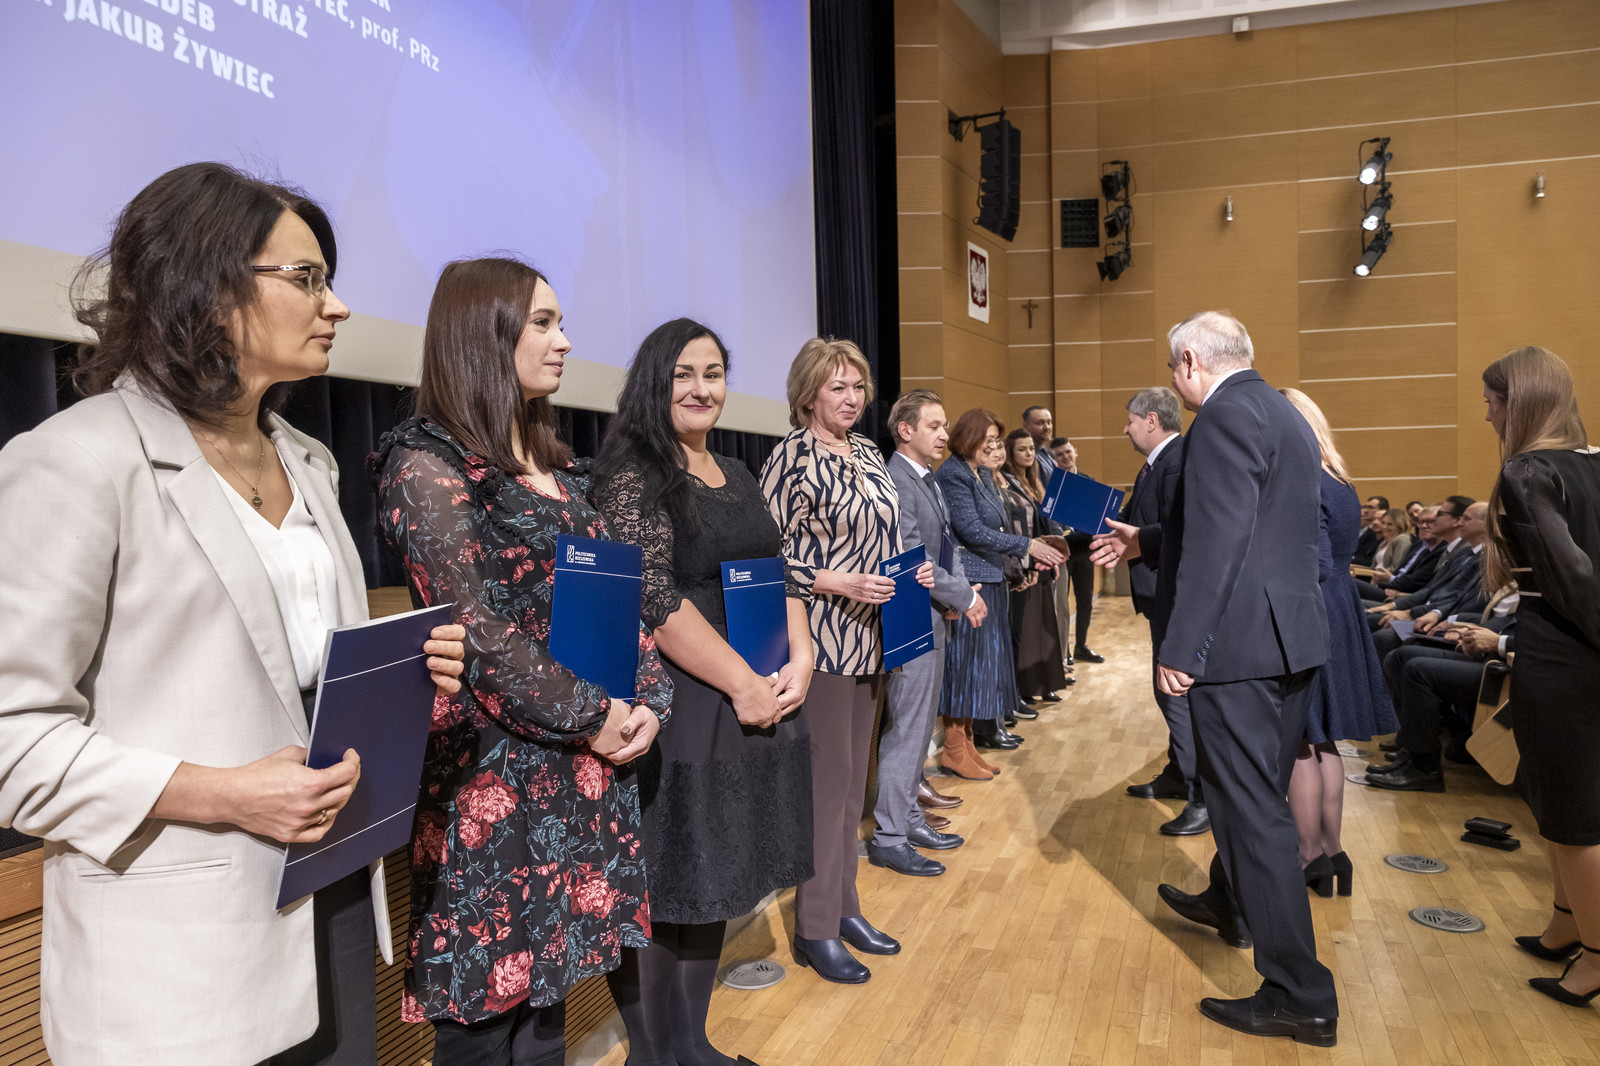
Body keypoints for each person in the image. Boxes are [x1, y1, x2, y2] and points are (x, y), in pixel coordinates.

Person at [0, 162, 466, 1066]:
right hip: (181, 948)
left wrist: (411, 673)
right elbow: (13, 744)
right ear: (206, 288)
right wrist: (225, 792)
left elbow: (298, 676)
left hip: (333, 887)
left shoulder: (309, 459)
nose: (337, 307)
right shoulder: (75, 460)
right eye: (308, 279)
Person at [373, 257, 671, 1065]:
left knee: (546, 1020)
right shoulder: (427, 462)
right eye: (543, 323)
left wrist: (647, 700)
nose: (564, 340)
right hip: (492, 780)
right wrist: (597, 715)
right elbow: (474, 628)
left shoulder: (562, 469)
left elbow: (617, 600)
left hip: (583, 771)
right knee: (482, 1021)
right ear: (484, 332)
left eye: (561, 322)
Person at [1092, 311, 1337, 1046]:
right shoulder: (1281, 411)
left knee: (1251, 813)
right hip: (1289, 640)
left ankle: (1299, 993)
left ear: (1192, 361)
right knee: (1254, 799)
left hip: (1238, 650)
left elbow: (1223, 539)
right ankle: (1230, 903)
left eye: (1173, 367)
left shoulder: (1222, 417)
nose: (1174, 381)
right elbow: (1250, 524)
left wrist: (1184, 647)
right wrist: (1147, 539)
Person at [590, 318, 815, 1066]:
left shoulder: (738, 472)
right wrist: (743, 683)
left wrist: (802, 654)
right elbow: (653, 599)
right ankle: (655, 1055)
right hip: (682, 705)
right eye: (683, 374)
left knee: (714, 873)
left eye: (713, 373)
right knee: (667, 882)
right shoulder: (632, 473)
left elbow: (778, 572)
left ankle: (693, 1046)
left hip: (748, 700)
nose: (700, 389)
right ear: (654, 382)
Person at [759, 338, 933, 985]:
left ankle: (845, 908)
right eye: (838, 387)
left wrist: (906, 576)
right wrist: (835, 580)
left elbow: (882, 538)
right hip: (821, 643)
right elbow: (765, 558)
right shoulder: (790, 458)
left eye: (858, 386)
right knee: (827, 791)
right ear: (808, 393)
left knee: (854, 786)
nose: (852, 398)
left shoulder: (864, 452)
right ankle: (815, 928)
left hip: (874, 640)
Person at [1475, 347, 1600, 1006]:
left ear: (1519, 401)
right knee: (1560, 801)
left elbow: (1570, 575)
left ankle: (1597, 956)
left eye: (1493, 400)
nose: (1488, 413)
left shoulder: (1527, 470)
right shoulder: (1594, 462)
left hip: (1560, 648)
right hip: (1581, 651)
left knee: (1573, 813)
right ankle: (1565, 923)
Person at [1278, 389, 1398, 898]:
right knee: (1324, 738)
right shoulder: (1340, 479)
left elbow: (1313, 563)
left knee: (1301, 737)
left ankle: (1307, 856)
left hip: (1313, 609)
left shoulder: (1302, 478)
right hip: (1341, 605)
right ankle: (1332, 851)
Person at [868, 389, 980, 877]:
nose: (944, 434)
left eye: (945, 425)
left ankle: (909, 818)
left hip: (932, 614)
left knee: (917, 728)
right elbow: (917, 558)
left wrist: (953, 597)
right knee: (908, 729)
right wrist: (965, 597)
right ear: (905, 430)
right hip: (910, 619)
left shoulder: (923, 477)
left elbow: (945, 546)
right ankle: (890, 837)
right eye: (934, 426)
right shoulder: (896, 479)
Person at [935, 411, 1065, 760]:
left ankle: (971, 740)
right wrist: (1027, 547)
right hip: (971, 581)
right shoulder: (954, 474)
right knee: (969, 667)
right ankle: (959, 746)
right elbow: (972, 530)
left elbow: (998, 525)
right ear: (969, 438)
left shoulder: (978, 473)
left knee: (987, 664)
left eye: (997, 441)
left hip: (992, 575)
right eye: (989, 440)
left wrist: (1023, 556)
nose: (995, 447)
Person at [1116, 386, 1207, 837]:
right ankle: (1178, 774)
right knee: (1168, 693)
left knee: (1176, 695)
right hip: (1161, 595)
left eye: (1131, 420)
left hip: (1176, 596)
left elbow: (1179, 531)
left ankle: (1202, 795)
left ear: (1151, 420)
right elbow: (1130, 522)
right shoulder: (1157, 463)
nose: (1126, 429)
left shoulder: (1176, 461)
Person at [1001, 428, 1070, 704]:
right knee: (1026, 629)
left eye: (1031, 448)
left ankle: (1045, 684)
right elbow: (1015, 528)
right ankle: (1026, 688)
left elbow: (1046, 523)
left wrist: (1052, 558)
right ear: (1010, 452)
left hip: (1042, 562)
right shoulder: (1006, 482)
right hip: (1024, 562)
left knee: (1044, 626)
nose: (1029, 453)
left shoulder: (1036, 481)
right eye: (1022, 449)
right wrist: (1028, 563)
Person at [1047, 436, 1104, 664]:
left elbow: (1095, 516)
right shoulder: (1051, 484)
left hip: (1084, 550)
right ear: (1054, 459)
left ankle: (1081, 646)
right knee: (1062, 603)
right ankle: (1065, 650)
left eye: (1067, 452)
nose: (1065, 457)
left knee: (1085, 600)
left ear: (1075, 452)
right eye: (1059, 455)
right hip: (1061, 552)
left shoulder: (1087, 481)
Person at [1371, 509, 1414, 573]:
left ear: (1399, 525)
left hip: (1385, 578)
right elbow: (1373, 566)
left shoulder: (1402, 540)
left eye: (1390, 524)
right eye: (1383, 523)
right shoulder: (1383, 543)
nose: (1385, 527)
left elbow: (1396, 568)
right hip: (1373, 575)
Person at [1351, 495, 1388, 567]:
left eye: (1370, 507)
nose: (1366, 510)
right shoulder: (1370, 532)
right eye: (1365, 507)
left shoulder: (1383, 535)